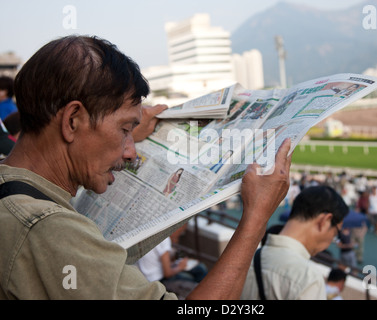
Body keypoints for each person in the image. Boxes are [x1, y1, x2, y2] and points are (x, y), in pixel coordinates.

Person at [0, 35, 293, 300]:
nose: (130, 152)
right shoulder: (51, 229)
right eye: (124, 129)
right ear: (73, 120)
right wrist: (255, 218)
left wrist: (127, 129)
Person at [240, 185, 349, 300]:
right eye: (336, 233)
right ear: (325, 221)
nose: (333, 239)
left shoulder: (247, 259)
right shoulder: (308, 278)